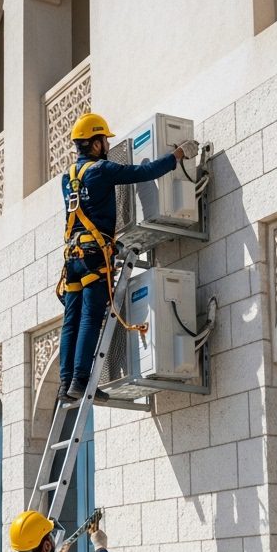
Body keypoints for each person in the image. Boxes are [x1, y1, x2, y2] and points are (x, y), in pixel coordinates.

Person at [58, 112, 199, 402]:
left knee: (70, 321)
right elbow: (142, 174)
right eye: (104, 141)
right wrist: (178, 154)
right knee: (89, 318)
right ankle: (81, 381)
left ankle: (66, 383)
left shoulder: (67, 178)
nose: (107, 145)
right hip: (94, 256)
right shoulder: (102, 170)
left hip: (72, 256)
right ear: (96, 144)